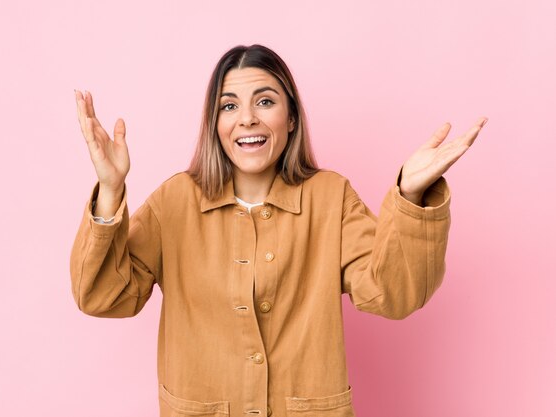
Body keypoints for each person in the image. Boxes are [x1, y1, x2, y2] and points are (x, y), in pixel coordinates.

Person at [70, 44, 487, 417]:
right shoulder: (175, 200)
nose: (247, 118)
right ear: (214, 124)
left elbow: (394, 293)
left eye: (265, 101)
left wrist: (410, 196)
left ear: (290, 119)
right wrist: (110, 188)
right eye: (229, 106)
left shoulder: (331, 196)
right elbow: (103, 295)